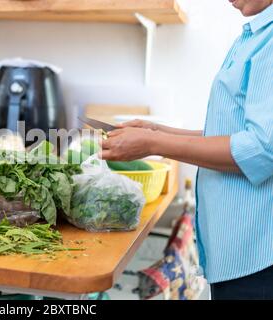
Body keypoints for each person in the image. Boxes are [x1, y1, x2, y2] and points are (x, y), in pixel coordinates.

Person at [100, 0, 273, 300]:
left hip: (257, 254)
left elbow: (260, 149)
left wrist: (154, 143)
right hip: (239, 250)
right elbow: (231, 136)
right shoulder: (254, 36)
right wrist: (157, 131)